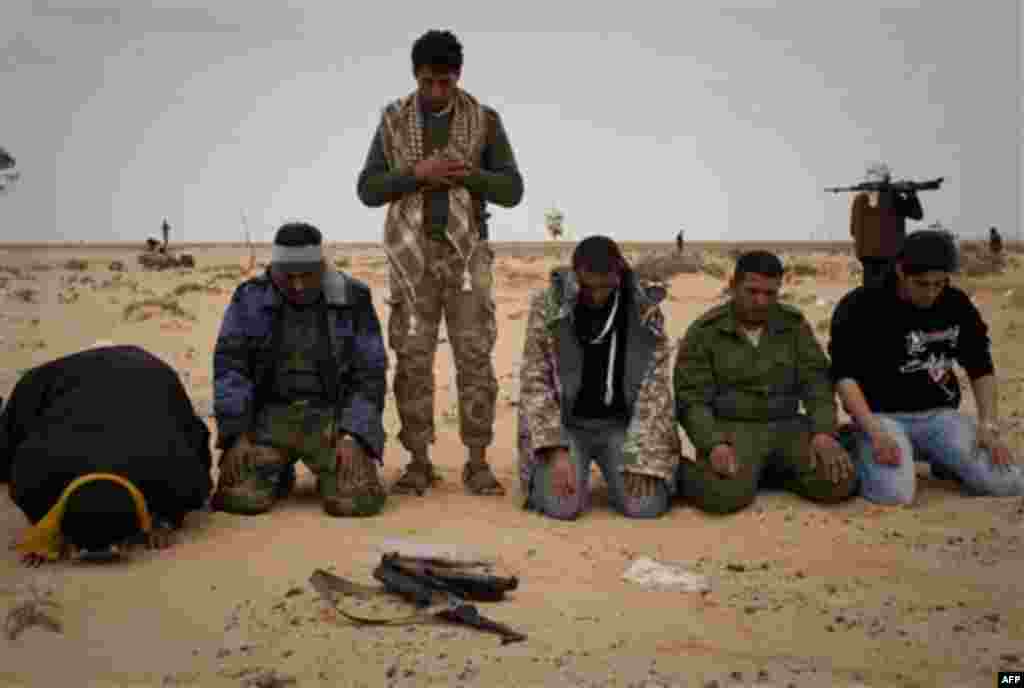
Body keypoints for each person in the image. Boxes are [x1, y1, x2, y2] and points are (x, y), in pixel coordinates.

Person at [356, 29, 524, 496]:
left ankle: (477, 460)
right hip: (412, 260)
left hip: (468, 258)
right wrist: (417, 175)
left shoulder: (484, 121)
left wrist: (470, 176)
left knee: (475, 359)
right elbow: (368, 189)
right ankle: (418, 460)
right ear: (415, 77)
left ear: (458, 77)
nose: (435, 92)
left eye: (444, 83)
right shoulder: (393, 121)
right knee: (412, 359)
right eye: (427, 82)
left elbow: (513, 189)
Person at [830, 230, 1022, 505]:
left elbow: (980, 366)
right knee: (895, 494)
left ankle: (939, 457)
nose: (931, 293)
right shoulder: (860, 306)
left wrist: (988, 425)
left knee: (1007, 482)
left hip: (938, 417)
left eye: (939, 284)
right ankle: (856, 443)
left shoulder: (956, 303)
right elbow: (844, 376)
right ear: (900, 271)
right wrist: (873, 431)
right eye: (921, 284)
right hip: (881, 418)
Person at [210, 222, 388, 517]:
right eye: (287, 277)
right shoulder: (249, 298)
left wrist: (355, 435)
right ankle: (275, 473)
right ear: (274, 269)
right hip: (268, 421)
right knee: (238, 499)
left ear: (322, 266)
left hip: (332, 422)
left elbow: (370, 373)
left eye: (307, 276)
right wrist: (236, 435)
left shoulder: (353, 297)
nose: (298, 285)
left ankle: (331, 473)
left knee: (354, 502)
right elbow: (230, 368)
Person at [674, 250, 857, 514]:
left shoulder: (793, 325)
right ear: (733, 286)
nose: (761, 301)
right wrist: (713, 443)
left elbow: (816, 382)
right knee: (723, 497)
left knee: (839, 483)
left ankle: (767, 471)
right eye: (752, 291)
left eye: (770, 293)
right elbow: (691, 399)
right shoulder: (706, 332)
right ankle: (679, 469)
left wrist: (823, 433)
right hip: (734, 429)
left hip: (787, 425)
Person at [1, 345, 213, 567]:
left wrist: (167, 518)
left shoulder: (175, 468)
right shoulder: (33, 480)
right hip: (54, 380)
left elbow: (198, 460)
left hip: (145, 372)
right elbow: (19, 480)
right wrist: (45, 529)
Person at [518, 236, 680, 520]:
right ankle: (561, 470)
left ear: (619, 274)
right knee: (562, 507)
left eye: (606, 286)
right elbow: (535, 382)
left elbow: (655, 389)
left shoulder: (644, 310)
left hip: (621, 426)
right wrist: (554, 450)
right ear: (575, 274)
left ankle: (622, 468)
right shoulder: (549, 306)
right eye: (588, 286)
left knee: (646, 506)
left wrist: (643, 458)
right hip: (567, 427)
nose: (597, 295)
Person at [849, 163, 923, 289]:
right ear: (886, 179)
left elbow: (853, 230)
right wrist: (911, 194)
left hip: (867, 258)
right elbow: (917, 214)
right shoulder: (892, 198)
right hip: (890, 258)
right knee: (889, 296)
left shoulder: (859, 199)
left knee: (871, 294)